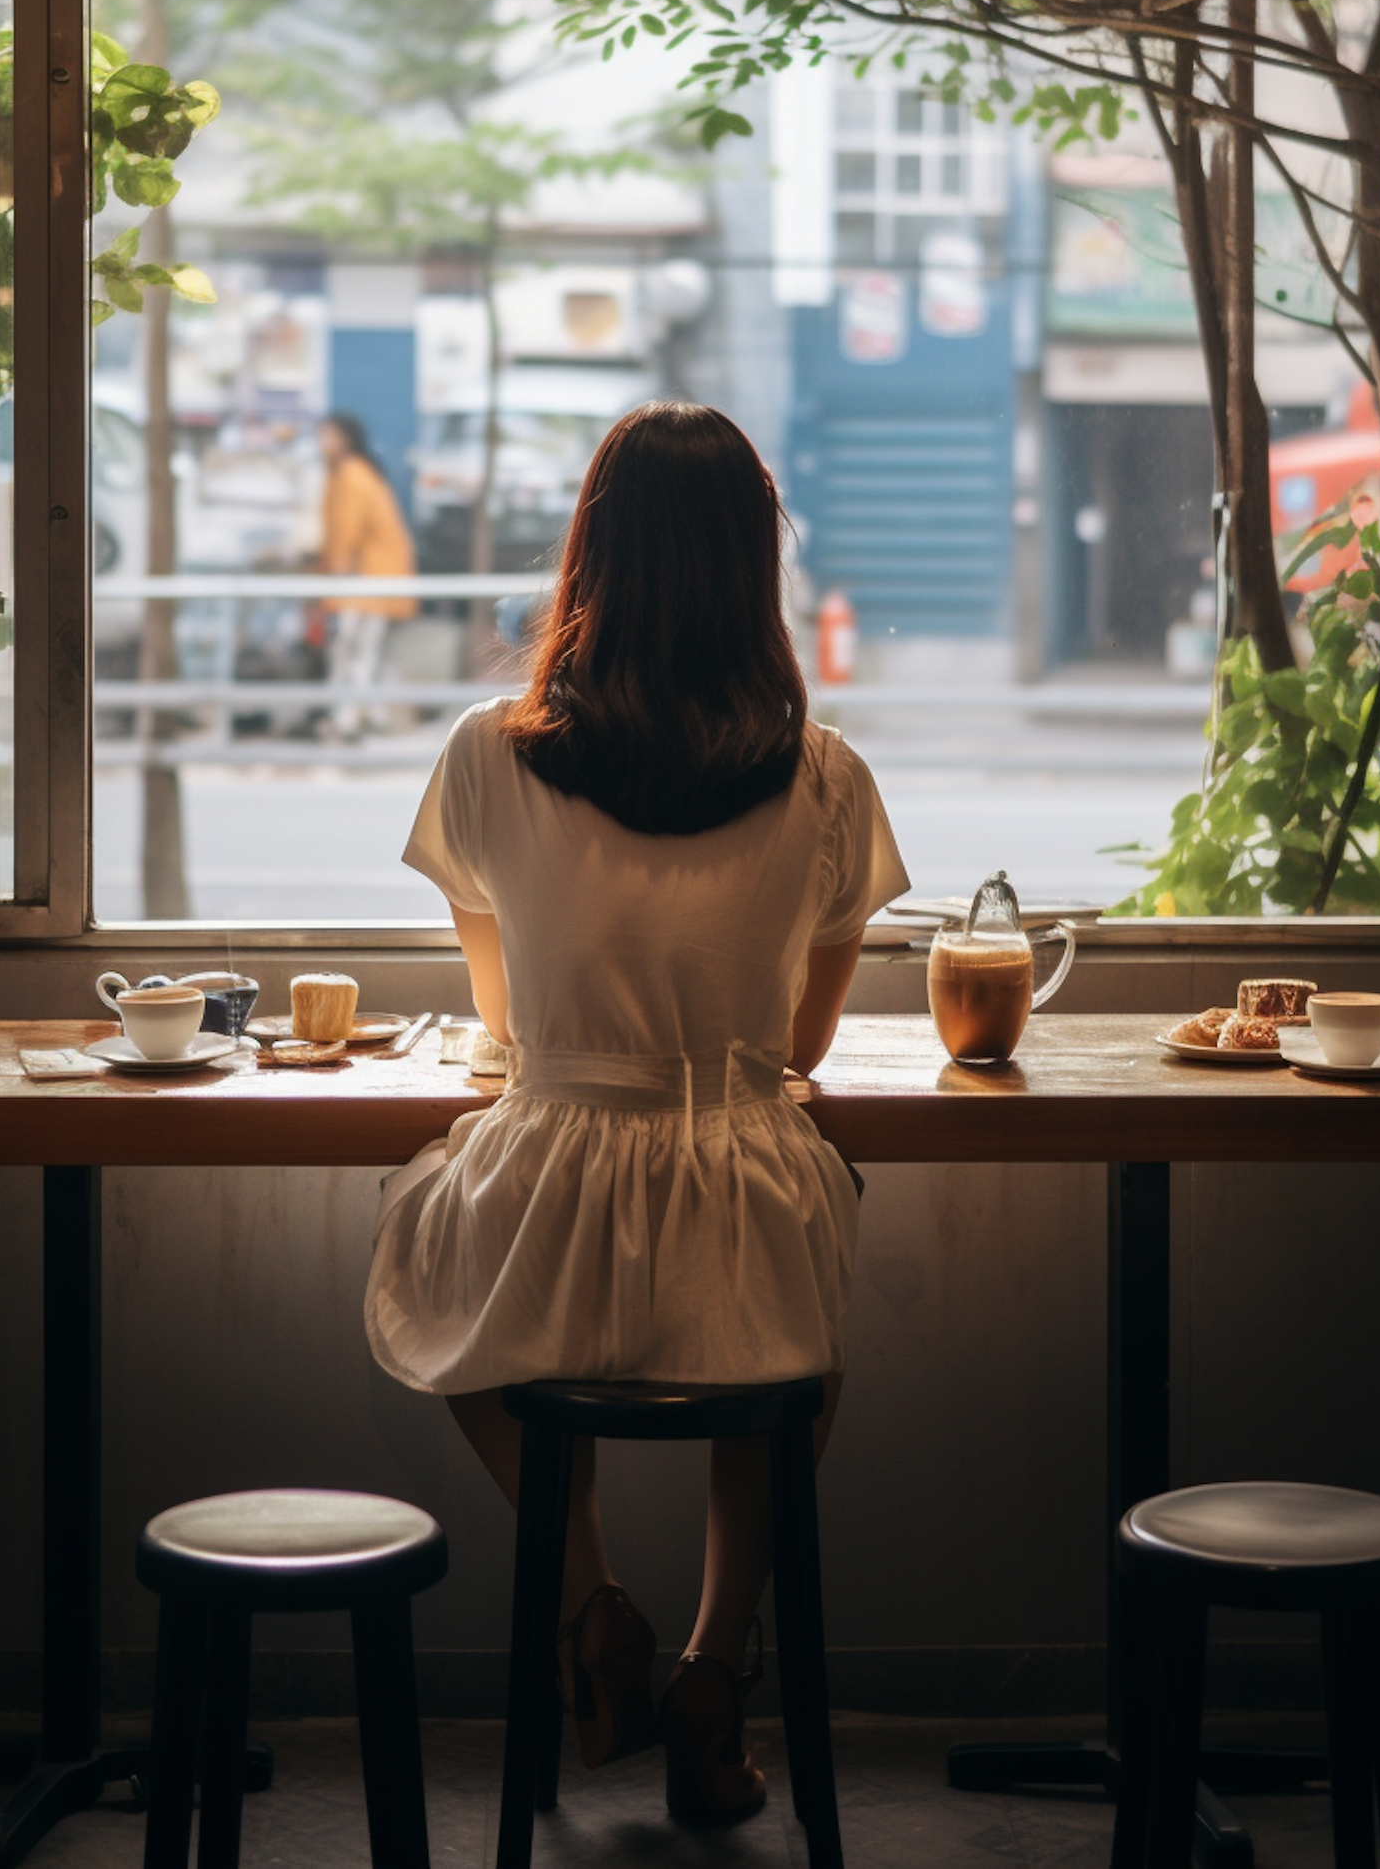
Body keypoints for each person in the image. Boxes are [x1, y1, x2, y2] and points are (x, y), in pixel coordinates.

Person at [365, 403, 907, 1826]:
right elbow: (799, 1044)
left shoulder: (491, 755)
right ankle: (714, 1670)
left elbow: (505, 1026)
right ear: (753, 570)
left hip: (552, 1164)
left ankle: (591, 1602)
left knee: (444, 1285)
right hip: (747, 1173)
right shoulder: (829, 779)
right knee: (797, 1360)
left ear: (586, 558)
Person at [317, 412, 416, 739]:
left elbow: (347, 531)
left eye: (327, 435)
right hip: (373, 578)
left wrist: (333, 572)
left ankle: (349, 719)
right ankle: (365, 715)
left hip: (368, 579)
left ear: (343, 439)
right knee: (361, 650)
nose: (321, 443)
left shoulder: (351, 474)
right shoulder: (355, 473)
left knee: (355, 650)